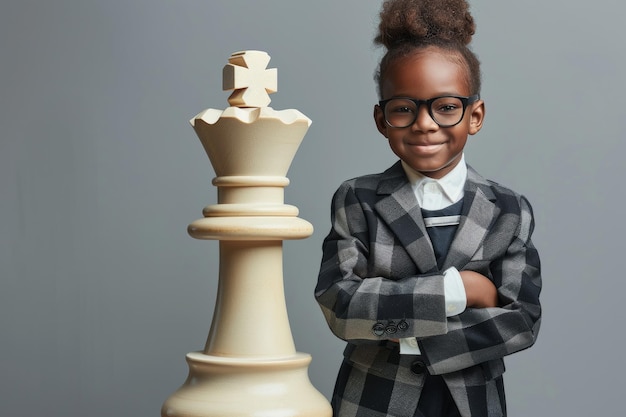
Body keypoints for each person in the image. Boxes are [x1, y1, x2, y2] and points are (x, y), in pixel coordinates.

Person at [314, 1, 542, 416]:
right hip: (372, 402)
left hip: (473, 403)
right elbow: (343, 308)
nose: (424, 123)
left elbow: (520, 320)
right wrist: (460, 291)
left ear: (474, 116)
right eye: (404, 108)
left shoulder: (508, 210)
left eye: (446, 106)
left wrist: (400, 332)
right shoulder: (358, 199)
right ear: (382, 119)